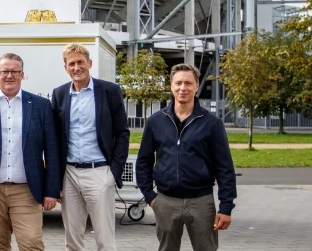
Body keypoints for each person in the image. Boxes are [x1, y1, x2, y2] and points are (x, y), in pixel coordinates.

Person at [0, 53, 61, 251]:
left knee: (32, 244)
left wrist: (51, 190)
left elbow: (52, 151)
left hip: (26, 190)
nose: (9, 76)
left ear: (22, 75)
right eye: (4, 71)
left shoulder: (41, 106)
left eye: (14, 71)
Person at [136, 63, 237, 251]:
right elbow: (144, 161)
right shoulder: (155, 121)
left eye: (188, 83)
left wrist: (226, 206)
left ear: (197, 86)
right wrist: (150, 196)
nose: (183, 88)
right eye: (178, 83)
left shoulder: (211, 123)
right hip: (165, 201)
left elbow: (225, 167)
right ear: (171, 86)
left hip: (201, 202)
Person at [49, 43, 130, 251]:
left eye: (80, 62)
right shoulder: (59, 94)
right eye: (71, 63)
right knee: (73, 239)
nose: (77, 67)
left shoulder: (109, 91)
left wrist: (114, 172)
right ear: (66, 68)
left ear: (90, 63)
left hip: (100, 172)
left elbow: (122, 133)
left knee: (104, 239)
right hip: (70, 173)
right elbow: (55, 138)